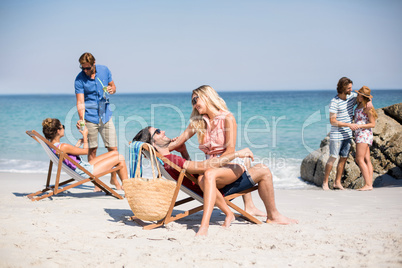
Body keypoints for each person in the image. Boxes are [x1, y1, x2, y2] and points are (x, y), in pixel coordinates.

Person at [133, 127, 298, 236]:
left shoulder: (166, 160)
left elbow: (188, 173)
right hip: (216, 190)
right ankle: (273, 215)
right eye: (158, 132)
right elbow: (204, 166)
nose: (163, 132)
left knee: (244, 164)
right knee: (263, 170)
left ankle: (251, 207)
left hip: (208, 186)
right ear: (153, 143)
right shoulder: (171, 159)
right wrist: (236, 154)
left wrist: (183, 151)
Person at [169, 85, 265, 216]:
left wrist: (213, 165)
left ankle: (249, 206)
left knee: (211, 173)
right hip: (211, 165)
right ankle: (248, 206)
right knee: (205, 176)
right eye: (192, 102)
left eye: (195, 100)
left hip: (227, 163)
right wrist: (156, 147)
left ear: (207, 96)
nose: (194, 105)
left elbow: (230, 151)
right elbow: (179, 141)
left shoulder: (227, 118)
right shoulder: (198, 122)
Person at [74, 52, 120, 190]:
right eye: (82, 68)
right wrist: (81, 120)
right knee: (92, 150)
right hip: (90, 117)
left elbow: (113, 87)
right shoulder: (79, 79)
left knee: (113, 149)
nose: (85, 71)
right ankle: (96, 181)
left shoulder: (104, 70)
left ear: (94, 64)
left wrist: (112, 89)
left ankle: (113, 179)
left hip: (106, 115)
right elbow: (80, 101)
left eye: (87, 68)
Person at [42, 118, 128, 188]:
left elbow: (68, 159)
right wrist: (85, 135)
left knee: (114, 153)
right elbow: (86, 151)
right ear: (58, 131)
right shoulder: (63, 146)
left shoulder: (53, 146)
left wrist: (77, 144)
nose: (64, 128)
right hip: (85, 171)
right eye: (62, 127)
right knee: (120, 158)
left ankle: (117, 181)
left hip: (82, 167)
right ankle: (128, 187)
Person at [322, 77, 360, 190]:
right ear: (343, 88)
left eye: (351, 87)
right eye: (349, 88)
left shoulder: (352, 97)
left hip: (348, 135)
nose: (351, 90)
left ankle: (337, 183)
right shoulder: (334, 102)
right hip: (336, 135)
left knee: (343, 158)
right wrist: (349, 125)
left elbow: (364, 98)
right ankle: (325, 182)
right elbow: (332, 121)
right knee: (333, 157)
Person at [354, 86, 377, 191]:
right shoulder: (360, 103)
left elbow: (372, 124)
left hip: (363, 134)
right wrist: (370, 100)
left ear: (362, 96)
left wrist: (359, 126)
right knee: (367, 159)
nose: (357, 95)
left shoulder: (367, 108)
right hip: (360, 134)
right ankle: (369, 184)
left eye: (359, 94)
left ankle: (368, 184)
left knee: (359, 159)